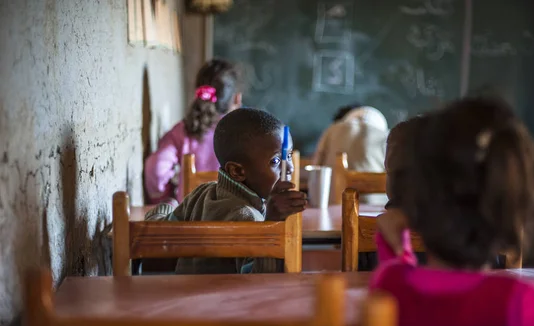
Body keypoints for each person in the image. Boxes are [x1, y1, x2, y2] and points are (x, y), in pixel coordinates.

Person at [373, 97, 534, 326]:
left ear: (415, 203)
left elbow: (397, 277)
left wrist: (394, 247)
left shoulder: (390, 289)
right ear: (510, 215)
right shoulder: (524, 303)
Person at [145, 107, 307, 275]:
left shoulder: (201, 194)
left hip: (184, 298)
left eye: (288, 156)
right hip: (230, 301)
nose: (289, 168)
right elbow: (260, 281)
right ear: (237, 172)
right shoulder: (247, 217)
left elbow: (156, 234)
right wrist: (273, 224)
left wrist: (167, 205)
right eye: (275, 161)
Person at [144, 59, 243, 205]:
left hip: (192, 221)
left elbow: (156, 169)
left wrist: (165, 198)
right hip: (236, 221)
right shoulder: (246, 134)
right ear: (237, 98)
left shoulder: (183, 130)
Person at [313, 105, 389, 204]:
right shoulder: (385, 136)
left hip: (332, 205)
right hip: (374, 208)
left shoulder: (331, 130)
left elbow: (316, 168)